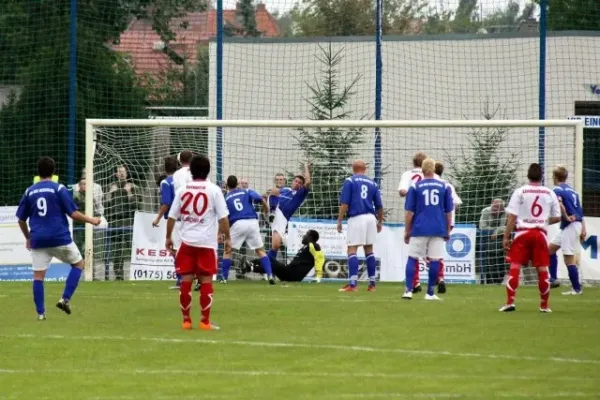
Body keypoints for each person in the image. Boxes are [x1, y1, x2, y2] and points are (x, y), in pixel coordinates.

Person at [16, 157, 100, 320]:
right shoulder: (59, 189)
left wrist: (28, 238)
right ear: (53, 172)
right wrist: (92, 220)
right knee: (79, 264)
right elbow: (73, 214)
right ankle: (65, 299)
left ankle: (41, 314)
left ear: (38, 172)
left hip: (38, 239)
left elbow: (20, 219)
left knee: (38, 277)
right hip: (59, 237)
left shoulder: (29, 191)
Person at [166, 155, 230, 331]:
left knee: (185, 281)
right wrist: (228, 238)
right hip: (206, 244)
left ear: (191, 171)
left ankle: (186, 321)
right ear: (208, 170)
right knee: (207, 281)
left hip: (186, 242)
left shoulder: (182, 189)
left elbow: (172, 216)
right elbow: (223, 217)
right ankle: (204, 322)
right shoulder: (214, 190)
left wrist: (168, 237)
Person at [500, 163, 561, 313]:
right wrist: (543, 221)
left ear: (528, 176)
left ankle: (510, 302)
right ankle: (544, 306)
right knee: (542, 269)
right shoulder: (549, 193)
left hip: (522, 233)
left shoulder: (520, 192)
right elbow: (558, 217)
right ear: (542, 176)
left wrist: (506, 237)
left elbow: (512, 217)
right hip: (540, 234)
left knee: (515, 266)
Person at [402, 158, 454, 301]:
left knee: (412, 257)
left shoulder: (415, 187)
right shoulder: (444, 187)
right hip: (438, 228)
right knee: (435, 259)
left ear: (423, 170)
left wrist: (407, 230)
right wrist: (448, 229)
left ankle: (408, 290)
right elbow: (448, 212)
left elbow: (409, 212)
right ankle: (430, 292)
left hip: (419, 227)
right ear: (434, 170)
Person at [411, 162, 461, 294]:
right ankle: (440, 278)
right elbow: (456, 202)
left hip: (428, 222)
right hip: (445, 223)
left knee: (418, 254)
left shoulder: (420, 184)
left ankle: (415, 283)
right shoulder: (447, 185)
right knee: (437, 254)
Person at [336, 160, 383, 292]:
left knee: (352, 249)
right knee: (369, 249)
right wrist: (380, 221)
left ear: (353, 168)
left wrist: (339, 220)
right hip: (371, 218)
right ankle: (372, 284)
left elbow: (344, 203)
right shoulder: (373, 183)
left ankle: (353, 284)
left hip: (357, 217)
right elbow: (379, 205)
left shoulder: (350, 181)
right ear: (365, 169)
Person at [221, 175, 273, 284]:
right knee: (260, 250)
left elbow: (224, 217)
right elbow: (259, 198)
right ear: (237, 184)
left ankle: (224, 278)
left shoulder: (225, 198)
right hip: (253, 222)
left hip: (238, 223)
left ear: (227, 186)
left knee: (228, 250)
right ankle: (270, 275)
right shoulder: (246, 191)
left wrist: (222, 232)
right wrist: (266, 208)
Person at [548, 165, 586, 295]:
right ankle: (553, 279)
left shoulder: (557, 189)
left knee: (568, 258)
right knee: (550, 250)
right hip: (575, 224)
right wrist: (584, 229)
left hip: (570, 225)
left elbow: (560, 205)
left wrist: (565, 217)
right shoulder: (573, 191)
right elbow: (580, 211)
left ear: (555, 177)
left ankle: (576, 289)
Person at [242, 230, 324, 283]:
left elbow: (320, 259)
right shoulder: (306, 247)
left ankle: (250, 265)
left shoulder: (313, 245)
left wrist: (318, 277)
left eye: (306, 234)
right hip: (290, 272)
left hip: (293, 275)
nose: (303, 236)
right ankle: (249, 267)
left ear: (310, 237)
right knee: (270, 262)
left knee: (269, 260)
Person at [268, 162, 311, 261]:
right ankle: (272, 212)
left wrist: (306, 167)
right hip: (274, 212)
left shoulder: (300, 194)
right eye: (296, 181)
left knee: (275, 245)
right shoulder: (284, 190)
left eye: (300, 183)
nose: (297, 183)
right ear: (292, 181)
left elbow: (308, 182)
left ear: (301, 185)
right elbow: (273, 193)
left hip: (282, 218)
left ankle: (268, 270)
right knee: (274, 190)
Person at [105, 165, 139, 280]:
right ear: (116, 174)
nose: (121, 173)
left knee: (131, 248)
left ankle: (136, 273)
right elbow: (106, 205)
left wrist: (129, 193)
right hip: (115, 221)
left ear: (127, 174)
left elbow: (137, 205)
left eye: (123, 171)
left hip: (129, 221)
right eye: (119, 172)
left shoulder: (133, 187)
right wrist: (111, 193)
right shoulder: (111, 187)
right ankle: (119, 275)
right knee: (117, 250)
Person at [152, 156, 180, 289]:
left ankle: (181, 280)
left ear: (165, 168)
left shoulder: (166, 182)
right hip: (188, 219)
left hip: (175, 221)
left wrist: (157, 218)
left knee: (175, 250)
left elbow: (166, 203)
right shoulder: (182, 180)